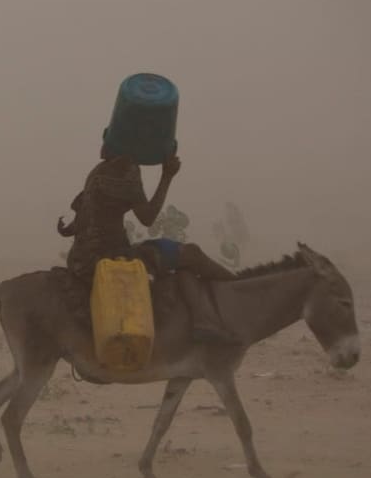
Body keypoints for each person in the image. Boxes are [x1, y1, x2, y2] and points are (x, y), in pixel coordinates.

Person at [58, 143, 239, 346]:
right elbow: (147, 217)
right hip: (112, 257)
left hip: (80, 259)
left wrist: (69, 229)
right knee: (192, 254)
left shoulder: (96, 172)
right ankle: (240, 292)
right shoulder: (127, 170)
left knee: (179, 262)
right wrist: (167, 176)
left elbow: (88, 214)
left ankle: (204, 319)